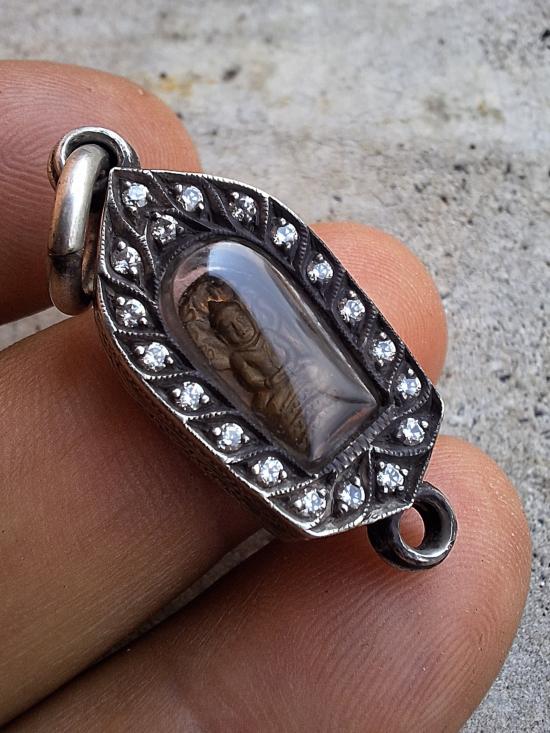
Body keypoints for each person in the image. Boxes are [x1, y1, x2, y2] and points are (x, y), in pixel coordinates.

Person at [0, 61, 530, 731]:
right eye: (220, 323)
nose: (230, 327)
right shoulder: (172, 286)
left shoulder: (213, 281)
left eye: (233, 322)